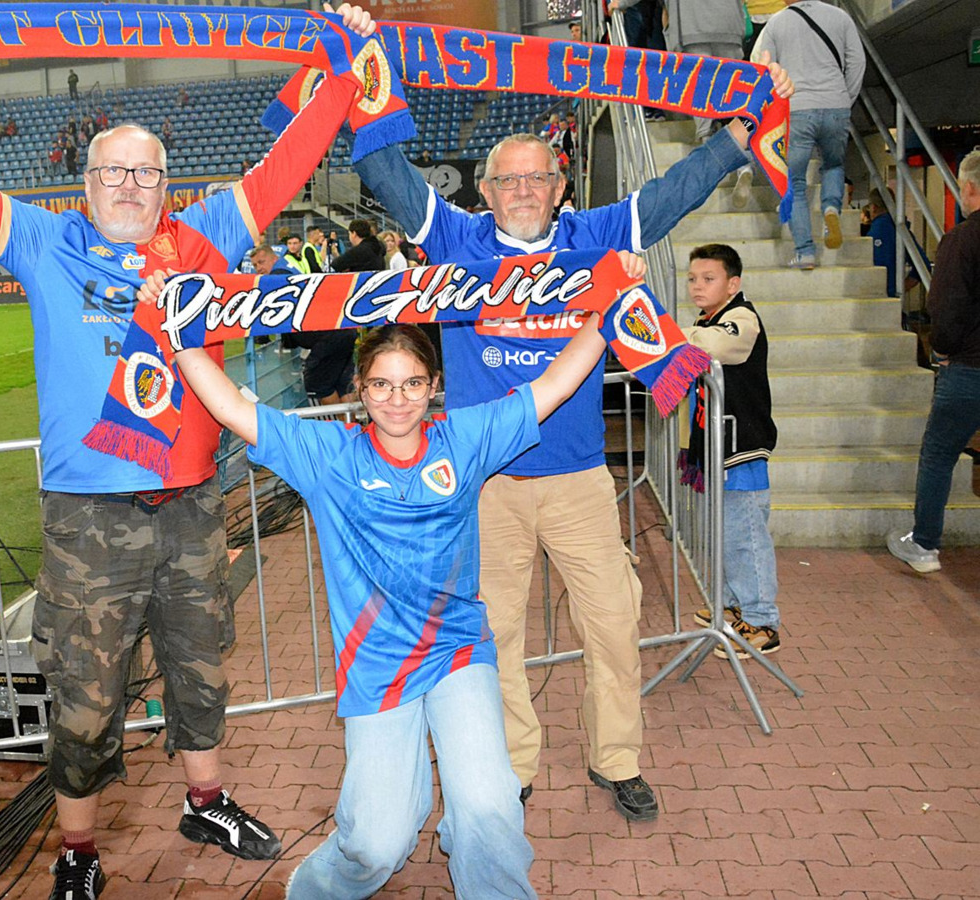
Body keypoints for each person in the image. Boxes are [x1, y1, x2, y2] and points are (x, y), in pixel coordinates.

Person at [0, 3, 381, 898]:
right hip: (88, 522)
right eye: (113, 171)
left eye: (146, 172)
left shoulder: (206, 235)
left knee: (201, 666)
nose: (130, 185)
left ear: (166, 185)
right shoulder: (43, 242)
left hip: (192, 505)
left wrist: (343, 62)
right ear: (85, 183)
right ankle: (79, 851)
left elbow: (290, 162)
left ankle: (205, 800)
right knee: (85, 699)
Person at [355, 62, 793, 821]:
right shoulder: (456, 238)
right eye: (508, 180)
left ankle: (616, 758)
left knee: (614, 626)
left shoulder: (594, 235)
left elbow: (674, 192)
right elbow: (381, 170)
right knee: (494, 636)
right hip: (486, 484)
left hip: (581, 480)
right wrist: (357, 74)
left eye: (538, 179)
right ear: (485, 191)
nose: (523, 191)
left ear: (560, 187)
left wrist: (739, 133)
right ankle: (510, 766)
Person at [162, 318, 611, 900]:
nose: (397, 400)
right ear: (360, 387)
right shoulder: (330, 457)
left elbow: (553, 385)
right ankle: (320, 884)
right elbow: (232, 409)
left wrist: (606, 312)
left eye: (412, 384)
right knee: (376, 842)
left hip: (457, 651)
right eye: (381, 384)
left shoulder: (465, 438)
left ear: (434, 386)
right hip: (377, 664)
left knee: (490, 808)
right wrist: (178, 330)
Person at [680, 244, 781, 657]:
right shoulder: (705, 321)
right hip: (716, 448)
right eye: (692, 278)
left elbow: (718, 347)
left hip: (742, 447)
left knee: (745, 536)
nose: (697, 286)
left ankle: (762, 621)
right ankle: (734, 604)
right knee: (726, 533)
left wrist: (670, 337)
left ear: (732, 284)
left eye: (709, 279)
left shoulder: (742, 318)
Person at [886, 149, 980, 574]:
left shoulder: (962, 240)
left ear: (969, 188)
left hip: (969, 368)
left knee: (939, 453)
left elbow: (946, 308)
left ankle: (924, 544)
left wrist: (940, 348)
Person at [754, 0, 864, 268]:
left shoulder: (776, 23)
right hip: (836, 104)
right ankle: (831, 209)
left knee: (794, 183)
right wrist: (844, 98)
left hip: (796, 108)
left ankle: (805, 253)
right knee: (833, 165)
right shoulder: (841, 17)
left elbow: (763, 67)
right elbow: (857, 62)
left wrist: (775, 107)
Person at [662, 0, 747, 142]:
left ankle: (708, 137)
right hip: (729, 25)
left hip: (691, 28)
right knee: (730, 91)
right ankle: (736, 139)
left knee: (700, 88)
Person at [861, 190, 924, 299]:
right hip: (893, 300)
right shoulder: (901, 229)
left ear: (873, 207)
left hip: (872, 296)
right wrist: (899, 288)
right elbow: (923, 265)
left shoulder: (874, 232)